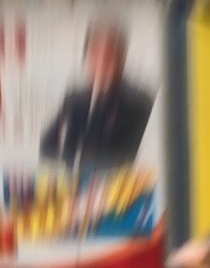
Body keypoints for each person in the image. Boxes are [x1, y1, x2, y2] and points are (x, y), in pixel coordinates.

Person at [38, 19, 153, 181]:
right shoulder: (74, 99)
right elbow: (47, 145)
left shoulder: (138, 102)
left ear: (122, 59)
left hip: (117, 190)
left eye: (109, 55)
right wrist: (73, 162)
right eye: (95, 53)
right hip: (75, 186)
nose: (101, 62)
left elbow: (134, 155)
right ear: (87, 58)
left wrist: (91, 163)